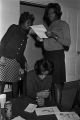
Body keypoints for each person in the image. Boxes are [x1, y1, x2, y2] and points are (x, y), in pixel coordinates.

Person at [32, 3, 71, 108]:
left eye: (51, 13)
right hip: (47, 56)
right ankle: (49, 106)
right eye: (48, 13)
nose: (49, 15)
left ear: (57, 13)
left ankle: (58, 107)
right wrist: (40, 40)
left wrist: (53, 35)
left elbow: (67, 42)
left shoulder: (63, 24)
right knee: (48, 82)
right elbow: (47, 43)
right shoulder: (50, 26)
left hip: (57, 56)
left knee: (57, 83)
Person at [0, 12, 35, 97]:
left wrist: (24, 63)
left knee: (15, 83)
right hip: (6, 59)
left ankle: (15, 101)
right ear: (22, 21)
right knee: (2, 82)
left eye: (31, 23)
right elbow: (3, 42)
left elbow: (20, 52)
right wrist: (1, 56)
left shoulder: (25, 36)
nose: (30, 25)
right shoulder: (14, 28)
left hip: (16, 62)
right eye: (28, 22)